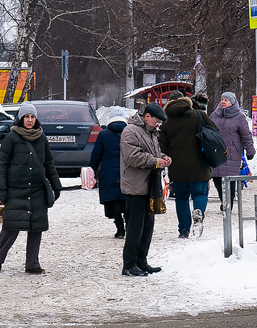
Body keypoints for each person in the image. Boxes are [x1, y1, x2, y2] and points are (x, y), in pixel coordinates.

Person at [0, 102, 61, 275]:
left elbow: (49, 164)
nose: (29, 120)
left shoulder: (41, 138)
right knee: (11, 227)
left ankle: (32, 264)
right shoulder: (11, 138)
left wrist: (56, 185)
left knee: (36, 227)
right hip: (16, 189)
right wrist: (2, 188)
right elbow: (2, 165)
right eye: (26, 117)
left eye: (32, 117)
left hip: (37, 190)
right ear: (20, 118)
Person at [120, 103, 170, 276]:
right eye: (156, 121)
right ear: (147, 116)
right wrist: (156, 161)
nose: (157, 125)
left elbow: (152, 152)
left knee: (148, 226)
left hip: (149, 186)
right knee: (135, 228)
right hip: (135, 187)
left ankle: (142, 261)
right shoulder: (130, 131)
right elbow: (132, 157)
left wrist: (162, 157)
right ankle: (129, 264)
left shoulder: (151, 133)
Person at [158, 91, 214, 238]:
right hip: (199, 165)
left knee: (181, 199)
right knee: (200, 194)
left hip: (177, 167)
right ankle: (199, 212)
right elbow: (214, 132)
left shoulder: (166, 120)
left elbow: (161, 146)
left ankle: (184, 230)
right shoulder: (198, 115)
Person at [210, 92, 254, 212]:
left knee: (229, 180)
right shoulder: (214, 115)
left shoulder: (239, 117)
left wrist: (250, 150)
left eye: (226, 100)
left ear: (233, 103)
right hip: (216, 153)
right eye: (222, 99)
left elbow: (246, 135)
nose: (223, 101)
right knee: (217, 179)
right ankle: (223, 200)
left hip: (232, 154)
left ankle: (228, 203)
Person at [90, 114, 129, 238]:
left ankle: (120, 230)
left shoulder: (103, 134)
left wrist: (92, 170)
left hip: (108, 174)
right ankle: (130, 228)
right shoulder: (130, 133)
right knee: (128, 202)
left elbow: (96, 154)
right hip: (127, 173)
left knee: (114, 202)